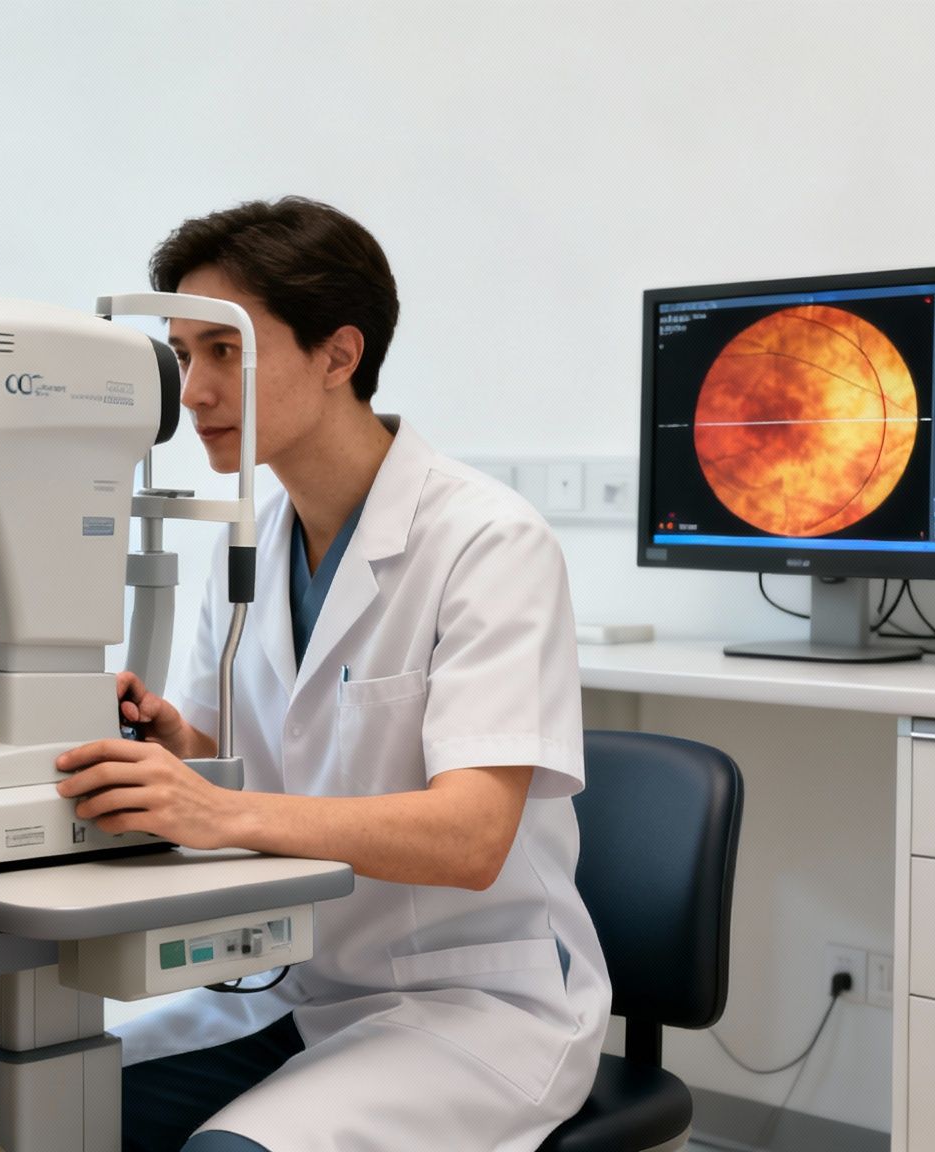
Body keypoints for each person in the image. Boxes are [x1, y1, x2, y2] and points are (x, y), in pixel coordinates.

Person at [54, 198, 610, 1152]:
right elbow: (256, 768)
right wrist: (186, 753)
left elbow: (473, 835)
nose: (192, 391)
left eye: (225, 350)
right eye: (184, 353)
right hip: (300, 980)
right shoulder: (255, 538)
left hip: (473, 1000)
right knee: (49, 1109)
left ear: (338, 356)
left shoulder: (487, 541)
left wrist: (214, 809)